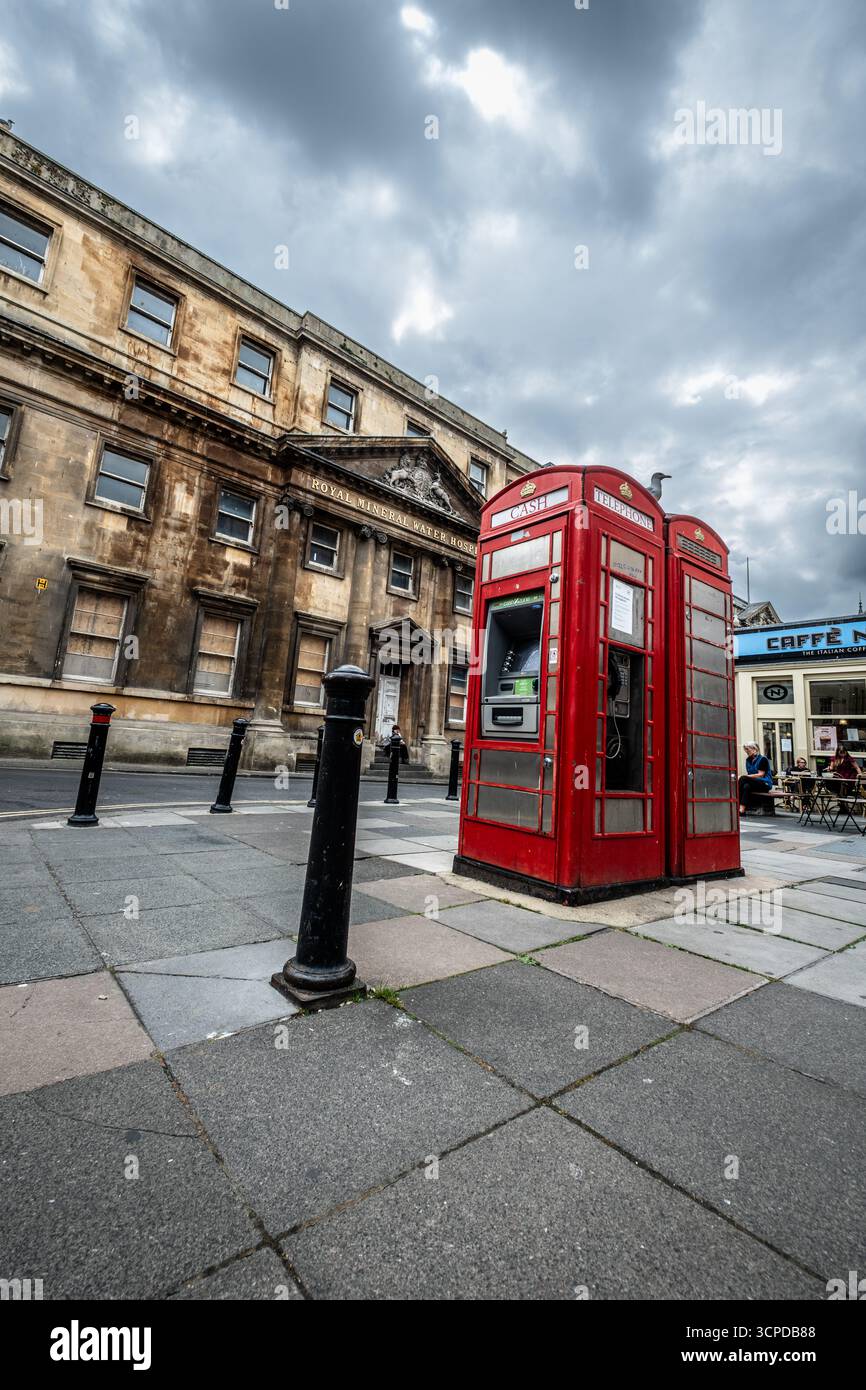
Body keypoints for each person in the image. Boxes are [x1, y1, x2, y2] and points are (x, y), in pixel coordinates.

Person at [738, 742, 774, 815]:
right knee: (746, 786)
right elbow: (750, 775)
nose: (746, 752)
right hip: (754, 783)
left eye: (748, 750)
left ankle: (736, 804)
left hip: (765, 783)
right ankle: (742, 809)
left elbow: (761, 775)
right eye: (745, 750)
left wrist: (745, 777)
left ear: (755, 749)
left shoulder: (762, 759)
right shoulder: (748, 760)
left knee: (743, 778)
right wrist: (746, 777)